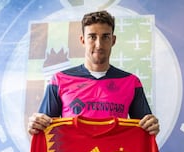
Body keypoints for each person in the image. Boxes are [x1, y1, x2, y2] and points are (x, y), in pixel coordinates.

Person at [27, 10, 160, 136]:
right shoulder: (59, 80)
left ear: (113, 40)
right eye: (92, 37)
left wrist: (151, 126)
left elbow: (144, 130)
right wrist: (36, 124)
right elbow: (45, 130)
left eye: (105, 37)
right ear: (82, 40)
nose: (99, 45)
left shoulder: (131, 82)